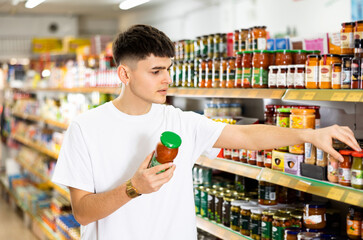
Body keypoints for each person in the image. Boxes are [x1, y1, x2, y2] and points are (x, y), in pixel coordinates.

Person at [52, 24, 361, 240]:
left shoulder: (181, 121)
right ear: (124, 74)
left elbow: (246, 137)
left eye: (169, 68)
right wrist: (133, 188)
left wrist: (307, 135)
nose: (167, 78)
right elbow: (81, 212)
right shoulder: (86, 128)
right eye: (156, 71)